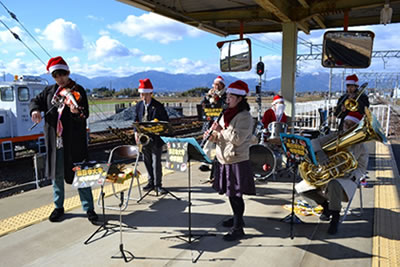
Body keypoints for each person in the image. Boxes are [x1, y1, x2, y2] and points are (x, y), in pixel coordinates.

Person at [30, 56, 98, 223]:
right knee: (57, 175)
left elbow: (84, 114)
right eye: (56, 76)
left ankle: (89, 208)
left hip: (74, 142)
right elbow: (35, 101)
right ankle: (58, 206)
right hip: (55, 141)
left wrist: (76, 113)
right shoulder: (49, 91)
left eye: (62, 74)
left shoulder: (78, 90)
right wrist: (35, 111)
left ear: (68, 73)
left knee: (80, 173)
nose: (60, 79)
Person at [297, 111, 368, 235]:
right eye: (346, 123)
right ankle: (325, 207)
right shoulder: (336, 136)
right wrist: (320, 152)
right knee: (301, 188)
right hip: (328, 175)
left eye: (351, 124)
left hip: (346, 179)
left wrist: (351, 175)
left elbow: (362, 168)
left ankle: (335, 218)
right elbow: (314, 142)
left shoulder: (361, 146)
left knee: (334, 184)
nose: (347, 126)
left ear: (356, 127)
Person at [206, 80, 256, 241]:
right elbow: (222, 136)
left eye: (231, 97)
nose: (227, 99)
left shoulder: (245, 117)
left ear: (240, 98)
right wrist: (212, 136)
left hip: (237, 159)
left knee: (236, 195)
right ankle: (237, 218)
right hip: (224, 158)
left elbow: (237, 139)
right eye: (227, 96)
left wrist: (221, 130)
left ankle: (238, 228)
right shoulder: (226, 113)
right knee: (230, 193)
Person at [134, 78, 169, 194]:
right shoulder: (139, 105)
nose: (142, 96)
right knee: (147, 161)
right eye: (141, 94)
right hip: (144, 139)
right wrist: (136, 133)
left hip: (155, 138)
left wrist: (156, 123)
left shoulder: (158, 106)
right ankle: (150, 182)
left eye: (144, 94)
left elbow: (166, 121)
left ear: (150, 93)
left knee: (156, 162)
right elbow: (136, 120)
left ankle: (158, 184)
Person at [199, 75, 226, 172]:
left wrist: (218, 98)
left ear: (222, 85)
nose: (216, 87)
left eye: (218, 85)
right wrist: (207, 97)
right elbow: (203, 105)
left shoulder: (225, 95)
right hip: (211, 121)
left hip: (221, 122)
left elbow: (224, 106)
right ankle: (205, 162)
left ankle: (219, 161)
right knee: (207, 141)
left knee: (220, 142)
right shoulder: (210, 94)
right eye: (215, 85)